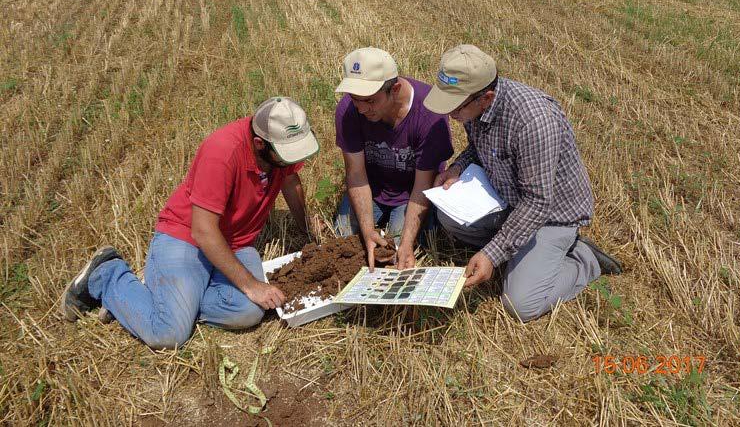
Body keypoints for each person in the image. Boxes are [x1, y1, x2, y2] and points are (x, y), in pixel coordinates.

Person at [61, 97, 322, 348]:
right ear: (259, 143)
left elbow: (289, 181)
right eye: (286, 155)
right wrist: (251, 285)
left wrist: (306, 227)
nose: (292, 161)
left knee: (250, 311)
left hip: (236, 245)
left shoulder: (278, 148)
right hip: (187, 238)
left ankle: (164, 301)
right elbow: (204, 231)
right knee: (169, 333)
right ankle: (108, 275)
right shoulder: (222, 151)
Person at [423, 44, 622, 322]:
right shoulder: (474, 107)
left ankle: (583, 258)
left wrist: (492, 255)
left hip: (551, 216)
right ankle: (520, 253)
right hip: (510, 199)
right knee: (448, 217)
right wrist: (459, 166)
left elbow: (538, 203)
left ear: (486, 97)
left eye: (455, 106)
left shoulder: (534, 121)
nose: (449, 114)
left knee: (521, 304)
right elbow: (479, 146)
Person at [333, 47, 454, 270]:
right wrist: (368, 230)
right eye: (354, 98)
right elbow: (356, 174)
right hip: (373, 188)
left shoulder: (429, 115)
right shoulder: (348, 111)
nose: (360, 108)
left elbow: (422, 186)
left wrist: (406, 244)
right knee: (343, 243)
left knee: (394, 252)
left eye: (369, 100)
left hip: (411, 195)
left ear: (394, 89)